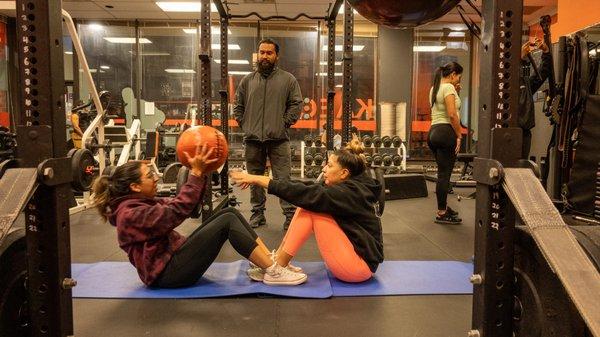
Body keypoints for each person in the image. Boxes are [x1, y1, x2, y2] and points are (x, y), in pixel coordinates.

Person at [90, 145, 307, 288]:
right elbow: (175, 212)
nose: (156, 178)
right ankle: (273, 272)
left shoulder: (138, 204)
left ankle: (269, 263)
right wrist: (194, 174)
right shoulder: (130, 214)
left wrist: (201, 174)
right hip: (167, 275)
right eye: (150, 176)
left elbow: (182, 206)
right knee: (228, 221)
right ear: (135, 186)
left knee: (229, 212)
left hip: (172, 261)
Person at [230, 139, 383, 283]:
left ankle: (276, 268)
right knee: (308, 202)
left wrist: (255, 179)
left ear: (344, 173)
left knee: (311, 208)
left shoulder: (348, 193)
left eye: (329, 166)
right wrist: (256, 178)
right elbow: (304, 189)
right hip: (356, 262)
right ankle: (278, 263)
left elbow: (306, 194)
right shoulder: (351, 187)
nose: (324, 169)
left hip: (357, 269)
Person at [234, 38, 303, 230]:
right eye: (262, 52)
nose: (265, 56)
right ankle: (257, 214)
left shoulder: (288, 79)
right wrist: (246, 125)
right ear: (258, 54)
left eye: (269, 53)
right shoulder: (247, 81)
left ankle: (289, 216)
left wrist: (284, 123)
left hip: (279, 139)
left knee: (283, 180)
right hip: (253, 140)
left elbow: (297, 104)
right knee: (254, 179)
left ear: (276, 56)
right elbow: (237, 106)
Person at [427, 61, 464, 225]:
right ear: (453, 74)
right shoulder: (448, 87)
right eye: (458, 77)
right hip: (445, 132)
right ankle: (442, 211)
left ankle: (443, 208)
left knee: (443, 173)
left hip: (433, 132)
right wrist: (459, 135)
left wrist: (456, 93)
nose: (458, 80)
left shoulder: (434, 88)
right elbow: (452, 115)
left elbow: (445, 109)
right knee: (444, 175)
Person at [520, 37, 552, 159]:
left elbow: (542, 73)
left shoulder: (526, 84)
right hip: (509, 132)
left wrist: (546, 52)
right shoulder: (506, 83)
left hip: (525, 133)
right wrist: (520, 59)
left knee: (521, 167)